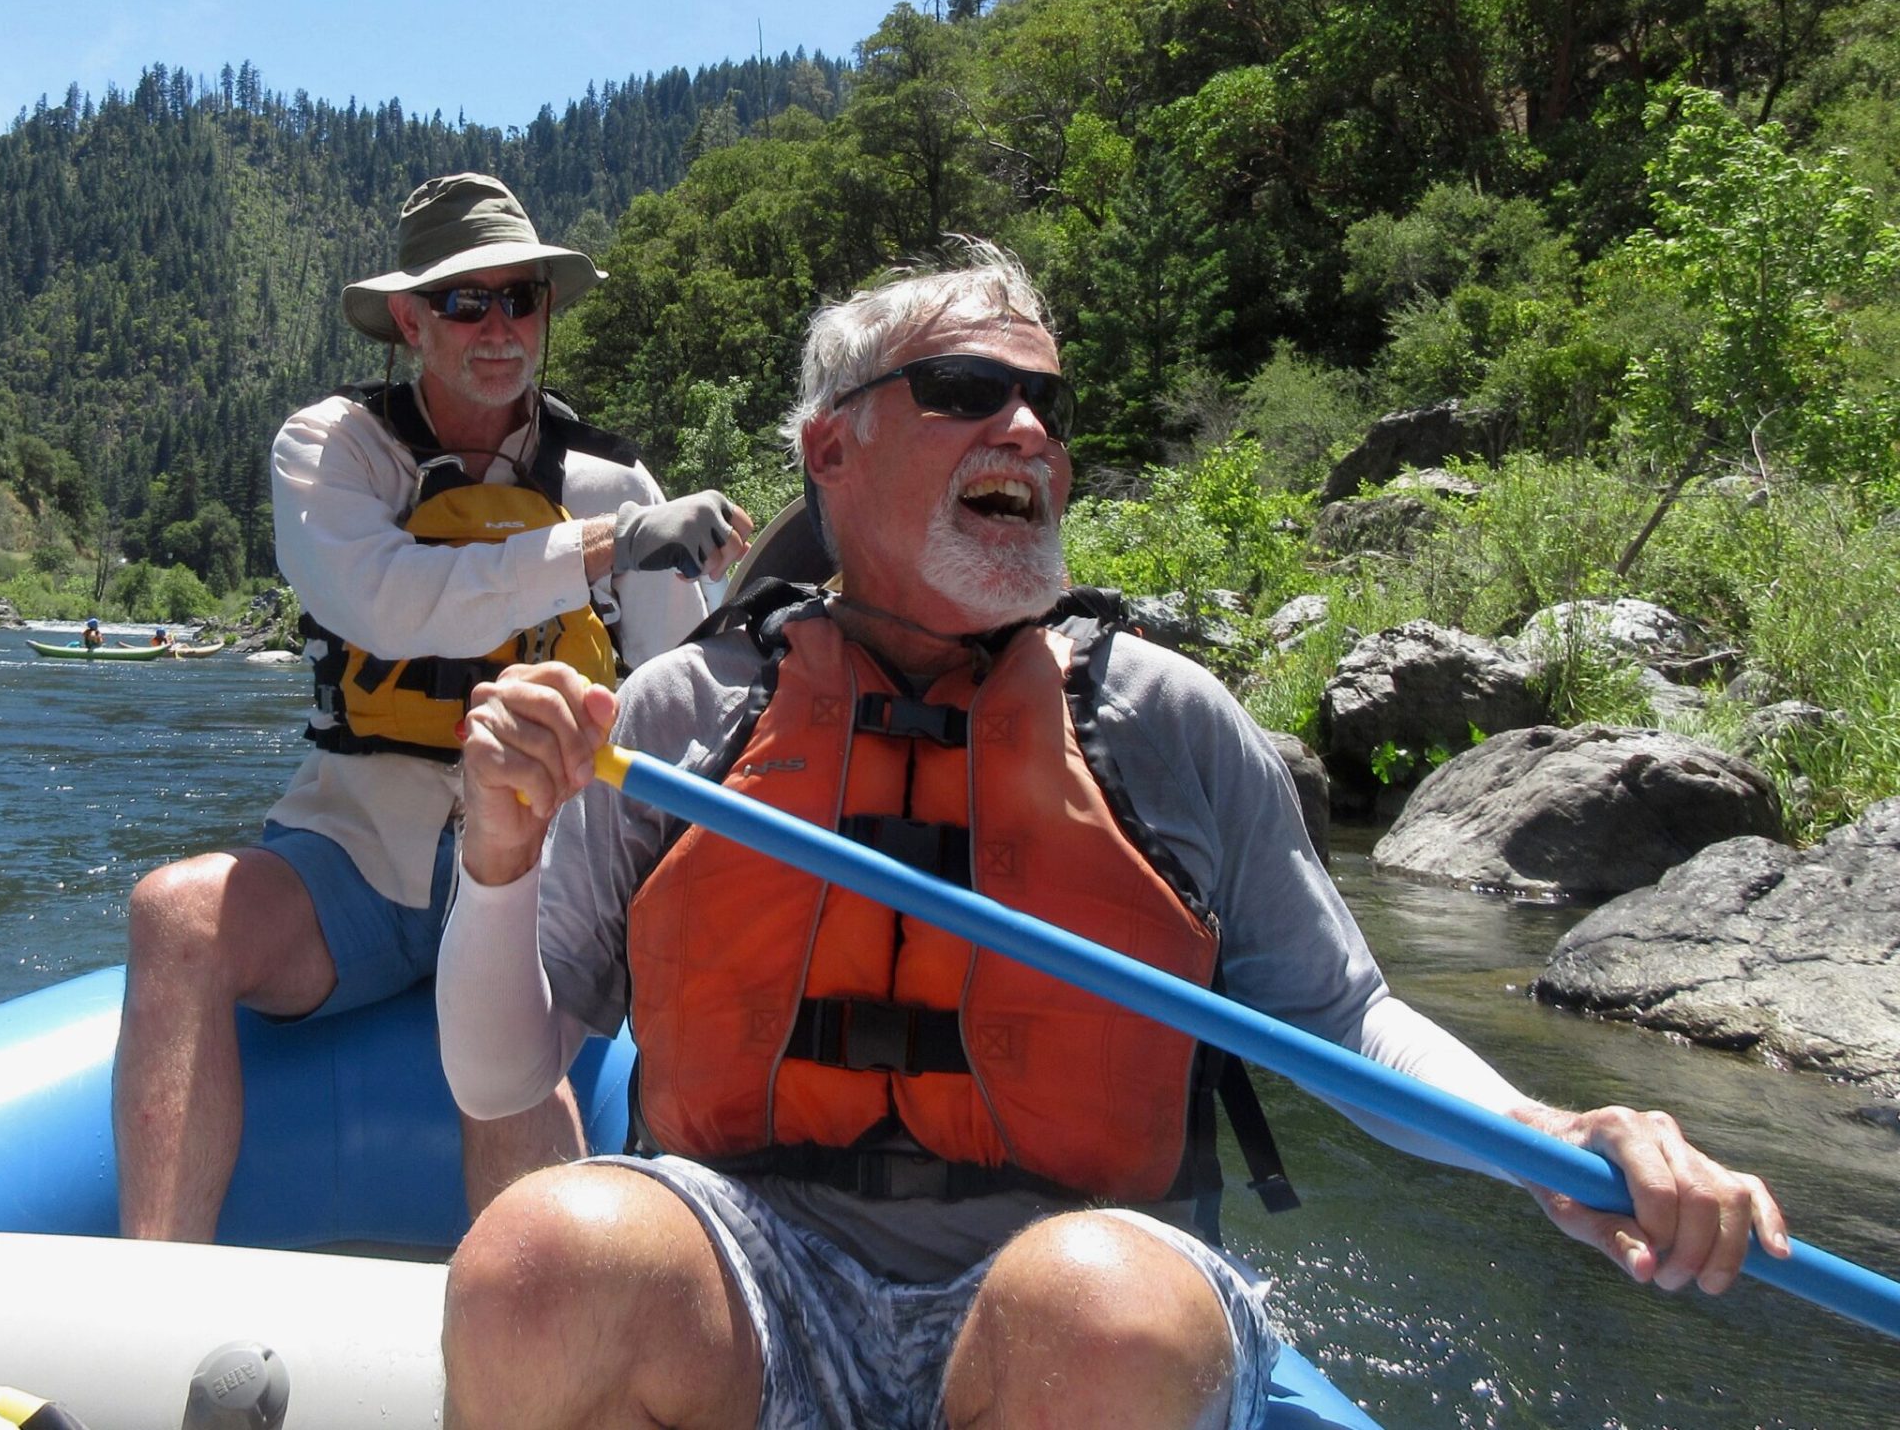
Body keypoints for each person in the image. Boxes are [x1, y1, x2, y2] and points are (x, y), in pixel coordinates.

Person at [436, 244, 1790, 1430]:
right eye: (967, 390)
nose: (1026, 428)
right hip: (757, 1272)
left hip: (1084, 1278)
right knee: (538, 1263)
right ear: (830, 448)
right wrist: (497, 869)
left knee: (1094, 1314)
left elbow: (1350, 1020)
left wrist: (1550, 1132)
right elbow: (505, 1078)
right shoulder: (685, 715)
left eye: (1049, 404)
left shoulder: (1165, 722)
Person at [114, 172, 752, 1243]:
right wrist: (598, 549)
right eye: (467, 301)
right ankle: (151, 1303)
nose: (499, 327)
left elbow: (685, 694)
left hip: (538, 853)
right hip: (355, 851)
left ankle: (547, 1357)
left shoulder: (617, 484)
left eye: (523, 299)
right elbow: (385, 601)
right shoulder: (332, 449)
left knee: (511, 1033)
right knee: (173, 916)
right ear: (411, 320)